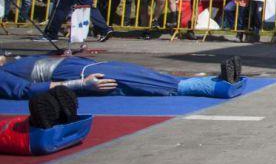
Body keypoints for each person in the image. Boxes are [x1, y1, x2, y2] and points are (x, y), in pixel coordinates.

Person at [0, 54, 246, 100]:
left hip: (82, 65)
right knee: (146, 83)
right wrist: (81, 84)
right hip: (80, 75)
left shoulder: (11, 61)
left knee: (146, 76)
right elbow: (24, 91)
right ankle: (213, 87)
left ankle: (216, 81)